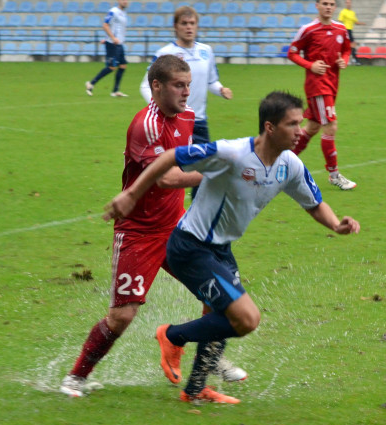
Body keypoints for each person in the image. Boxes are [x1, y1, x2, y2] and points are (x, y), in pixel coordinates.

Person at [102, 91, 361, 404]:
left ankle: (195, 391)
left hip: (221, 249)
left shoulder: (289, 165)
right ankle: (171, 336)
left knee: (221, 318)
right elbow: (170, 158)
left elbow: (314, 203)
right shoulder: (232, 153)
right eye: (293, 124)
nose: (300, 130)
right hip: (190, 246)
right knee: (245, 319)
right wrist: (131, 195)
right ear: (270, 127)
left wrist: (336, 224)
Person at [60, 55, 242, 397]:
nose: (186, 92)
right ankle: (76, 377)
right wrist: (215, 174)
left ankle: (204, 370)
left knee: (219, 296)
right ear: (156, 86)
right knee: (121, 317)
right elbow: (166, 177)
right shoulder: (146, 124)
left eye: (189, 85)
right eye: (178, 85)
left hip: (177, 229)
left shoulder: (187, 116)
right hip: (138, 232)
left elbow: (191, 156)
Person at [140, 6, 233, 199]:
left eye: (192, 23)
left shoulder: (206, 51)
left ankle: (196, 213)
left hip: (198, 122)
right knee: (171, 172)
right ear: (175, 26)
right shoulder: (165, 53)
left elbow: (211, 81)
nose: (189, 27)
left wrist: (221, 89)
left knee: (205, 169)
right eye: (184, 23)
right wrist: (160, 109)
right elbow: (145, 85)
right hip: (173, 123)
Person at [288, 0, 356, 191]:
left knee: (312, 126)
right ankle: (334, 175)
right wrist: (311, 65)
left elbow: (347, 49)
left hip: (333, 84)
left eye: (332, 4)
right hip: (317, 86)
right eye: (324, 3)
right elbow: (292, 53)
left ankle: (281, 161)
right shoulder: (308, 29)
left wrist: (344, 60)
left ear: (335, 7)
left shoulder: (341, 29)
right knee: (330, 126)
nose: (328, 7)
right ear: (317, 5)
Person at [85, 0, 129, 97]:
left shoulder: (123, 13)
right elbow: (105, 25)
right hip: (113, 44)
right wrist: (112, 38)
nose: (125, 1)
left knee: (122, 65)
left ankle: (115, 91)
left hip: (119, 44)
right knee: (111, 67)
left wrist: (106, 38)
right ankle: (91, 84)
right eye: (123, 0)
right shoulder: (113, 11)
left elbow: (115, 27)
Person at [338, 0, 365, 65]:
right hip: (345, 30)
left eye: (349, 2)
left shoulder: (352, 12)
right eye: (347, 3)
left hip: (350, 30)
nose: (348, 4)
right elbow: (340, 21)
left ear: (351, 3)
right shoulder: (343, 12)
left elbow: (356, 22)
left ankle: (353, 59)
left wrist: (363, 23)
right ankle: (354, 60)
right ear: (345, 4)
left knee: (351, 46)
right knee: (349, 45)